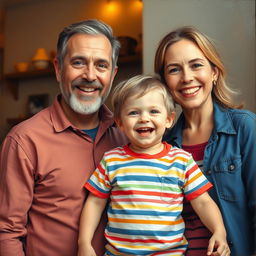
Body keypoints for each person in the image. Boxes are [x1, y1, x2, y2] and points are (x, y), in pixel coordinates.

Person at [0, 19, 128, 256]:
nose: (90, 75)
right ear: (59, 68)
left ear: (112, 73)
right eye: (78, 62)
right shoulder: (25, 140)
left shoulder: (127, 136)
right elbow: (7, 232)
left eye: (101, 65)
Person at [78, 75, 230, 256]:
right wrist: (84, 243)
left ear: (169, 119)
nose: (144, 118)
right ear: (120, 123)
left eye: (154, 111)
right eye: (133, 112)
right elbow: (95, 203)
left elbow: (204, 202)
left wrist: (219, 231)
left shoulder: (181, 161)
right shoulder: (111, 160)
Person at [154, 26, 256, 256]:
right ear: (165, 83)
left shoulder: (245, 128)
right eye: (174, 69)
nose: (187, 77)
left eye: (196, 65)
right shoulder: (162, 144)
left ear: (214, 72)